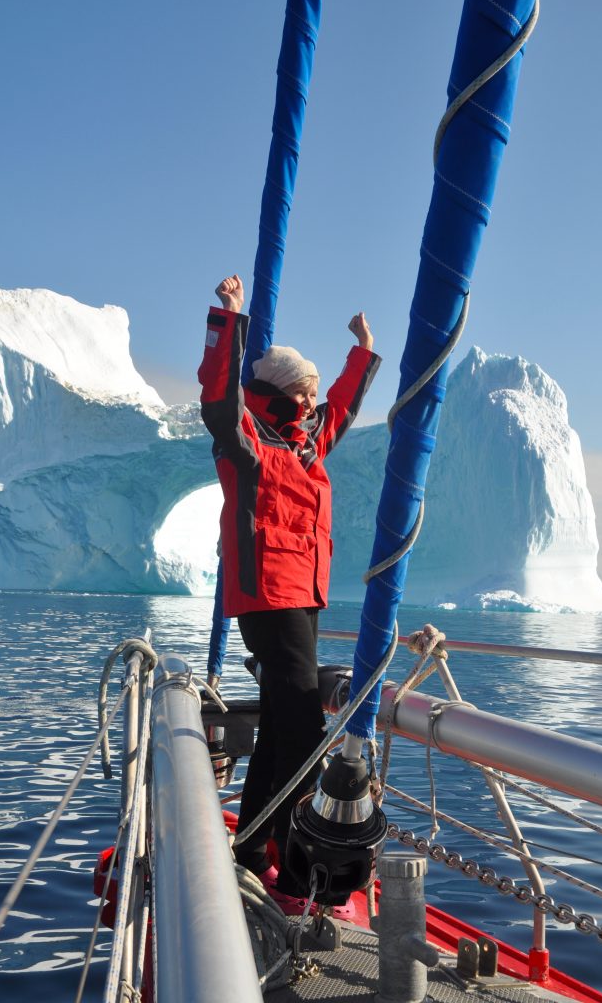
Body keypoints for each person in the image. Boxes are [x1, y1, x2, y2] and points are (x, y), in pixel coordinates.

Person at [198, 274, 380, 900]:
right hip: (267, 595)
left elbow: (343, 409)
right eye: (302, 393)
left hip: (303, 594)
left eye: (311, 395)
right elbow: (218, 400)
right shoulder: (247, 439)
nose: (310, 404)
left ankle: (251, 845)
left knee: (282, 724)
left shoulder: (305, 444)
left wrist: (362, 350)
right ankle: (291, 857)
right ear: (281, 392)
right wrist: (230, 318)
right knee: (304, 729)